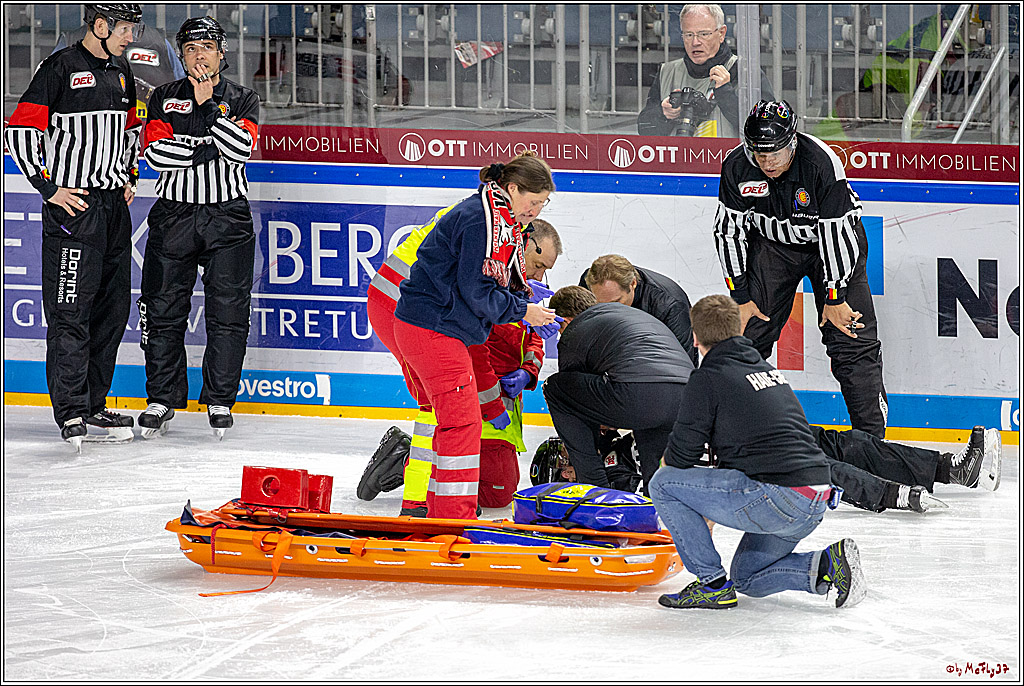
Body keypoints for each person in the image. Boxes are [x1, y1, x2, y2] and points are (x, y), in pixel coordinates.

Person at [650, 294, 867, 610]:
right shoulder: (763, 368)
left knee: (662, 483)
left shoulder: (709, 377)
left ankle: (710, 584)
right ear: (739, 330)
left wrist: (686, 504)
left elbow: (681, 457)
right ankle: (827, 564)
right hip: (815, 497)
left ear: (694, 337)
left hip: (779, 498)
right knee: (747, 576)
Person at [4, 4, 144, 451]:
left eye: (133, 28)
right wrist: (49, 188)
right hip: (75, 208)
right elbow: (19, 130)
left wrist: (129, 176)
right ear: (99, 25)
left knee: (112, 310)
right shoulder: (59, 67)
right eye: (124, 28)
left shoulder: (121, 70)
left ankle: (91, 402)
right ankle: (70, 411)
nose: (130, 36)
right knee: (71, 313)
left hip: (112, 208)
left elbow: (131, 132)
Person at [390, 153, 559, 519]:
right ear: (512, 189)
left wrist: (525, 304)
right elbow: (475, 289)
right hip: (431, 327)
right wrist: (522, 311)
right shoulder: (480, 220)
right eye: (533, 202)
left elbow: (493, 283)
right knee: (462, 423)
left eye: (543, 204)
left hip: (442, 326)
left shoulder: (502, 220)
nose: (535, 211)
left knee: (456, 421)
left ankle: (442, 512)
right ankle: (453, 517)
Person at [715, 99, 889, 439]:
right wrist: (740, 294)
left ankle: (871, 441)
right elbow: (728, 230)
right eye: (759, 154)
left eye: (774, 154)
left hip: (831, 249)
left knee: (851, 339)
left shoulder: (821, 162)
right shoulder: (737, 165)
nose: (766, 162)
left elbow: (837, 232)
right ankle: (734, 432)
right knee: (747, 334)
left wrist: (835, 295)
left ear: (792, 140)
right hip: (773, 247)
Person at [135, 16, 260, 439]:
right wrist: (209, 144)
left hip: (227, 218)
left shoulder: (244, 98)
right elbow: (157, 155)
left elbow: (240, 150)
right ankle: (161, 399)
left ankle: (221, 400)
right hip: (174, 216)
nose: (199, 54)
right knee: (163, 309)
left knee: (228, 313)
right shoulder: (163, 97)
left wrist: (205, 112)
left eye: (207, 46)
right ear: (181, 54)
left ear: (222, 52)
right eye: (190, 48)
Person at [543, 286, 693, 495]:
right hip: (685, 396)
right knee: (655, 470)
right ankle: (656, 505)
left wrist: (597, 442)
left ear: (565, 320)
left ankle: (595, 490)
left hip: (637, 395)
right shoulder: (630, 315)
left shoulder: (576, 330)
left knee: (556, 388)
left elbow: (576, 400)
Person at [637, 3, 774, 137]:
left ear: (721, 33)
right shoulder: (667, 72)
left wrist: (726, 95)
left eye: (703, 34)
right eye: (689, 35)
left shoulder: (745, 72)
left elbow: (766, 130)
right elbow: (644, 131)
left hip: (727, 158)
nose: (695, 42)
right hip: (679, 158)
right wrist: (663, 113)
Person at [52, 9, 186, 119]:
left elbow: (182, 93)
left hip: (146, 139)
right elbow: (45, 98)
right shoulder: (71, 42)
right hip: (86, 140)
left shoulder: (159, 43)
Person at [580, 254, 698, 365]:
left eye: (616, 302)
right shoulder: (590, 283)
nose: (608, 310)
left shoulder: (670, 305)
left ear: (633, 284)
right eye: (600, 304)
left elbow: (684, 362)